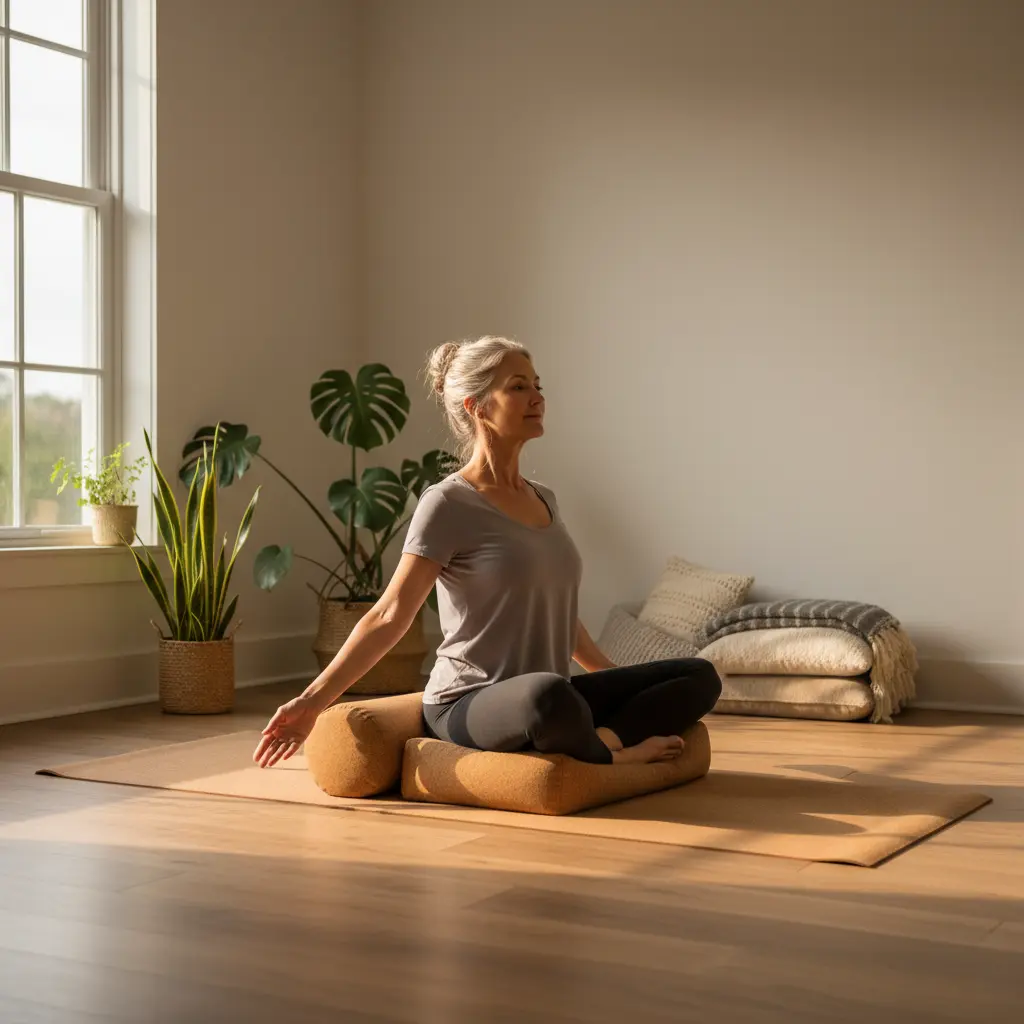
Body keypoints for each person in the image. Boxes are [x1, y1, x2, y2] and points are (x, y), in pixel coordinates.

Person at [253, 335, 721, 770]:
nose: (537, 397)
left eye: (538, 386)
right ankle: (616, 756)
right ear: (475, 406)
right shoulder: (449, 502)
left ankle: (601, 742)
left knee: (698, 677)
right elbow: (390, 615)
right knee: (549, 697)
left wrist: (618, 682)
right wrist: (311, 701)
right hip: (469, 702)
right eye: (519, 387)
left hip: (552, 690)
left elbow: (557, 611)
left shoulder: (545, 499)